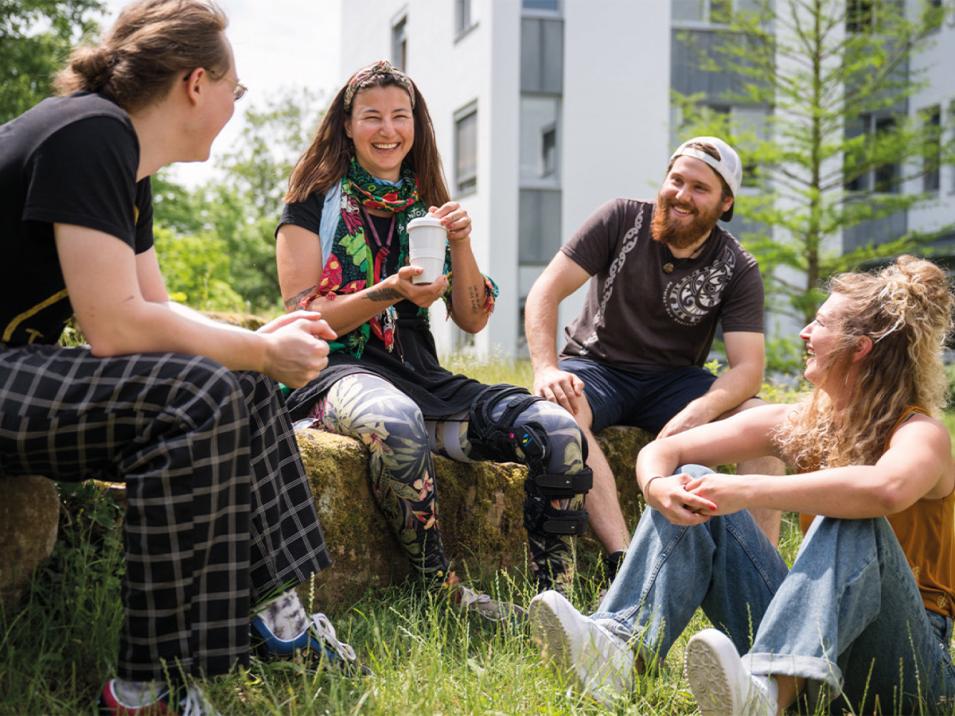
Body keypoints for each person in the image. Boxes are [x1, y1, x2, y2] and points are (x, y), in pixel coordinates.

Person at [0, 1, 362, 713]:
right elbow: (115, 327)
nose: (235, 104)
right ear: (198, 84)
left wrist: (261, 349)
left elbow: (157, 310)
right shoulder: (90, 134)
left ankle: (273, 614)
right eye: (238, 90)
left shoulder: (119, 154)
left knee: (237, 380)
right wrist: (262, 346)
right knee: (194, 394)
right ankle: (146, 688)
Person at [527, 255, 955, 714]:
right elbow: (666, 451)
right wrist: (657, 487)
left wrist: (747, 491)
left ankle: (770, 693)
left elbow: (884, 490)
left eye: (821, 323)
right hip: (820, 646)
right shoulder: (804, 424)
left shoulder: (922, 435)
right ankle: (618, 651)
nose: (804, 332)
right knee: (695, 481)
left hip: (908, 676)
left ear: (860, 347)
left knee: (854, 518)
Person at [275, 60, 592, 613]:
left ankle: (556, 608)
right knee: (396, 422)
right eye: (372, 116)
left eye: (401, 116)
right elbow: (306, 314)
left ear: (417, 126)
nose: (388, 129)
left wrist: (461, 243)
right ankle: (442, 595)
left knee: (559, 433)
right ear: (347, 125)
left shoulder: (426, 206)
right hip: (333, 372)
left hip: (423, 379)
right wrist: (390, 292)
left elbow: (473, 318)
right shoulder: (314, 198)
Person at [524, 136, 784, 579]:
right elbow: (545, 290)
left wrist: (699, 411)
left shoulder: (738, 266)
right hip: (596, 366)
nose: (682, 195)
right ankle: (624, 563)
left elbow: (748, 368)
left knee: (766, 422)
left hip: (676, 383)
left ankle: (758, 573)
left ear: (725, 203)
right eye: (676, 180)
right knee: (558, 411)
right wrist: (547, 367)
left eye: (699, 188)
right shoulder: (620, 218)